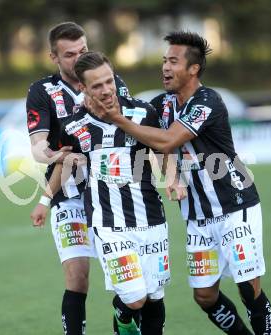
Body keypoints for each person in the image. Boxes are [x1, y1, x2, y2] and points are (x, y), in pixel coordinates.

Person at [92, 31, 271, 335]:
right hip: (197, 216)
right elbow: (130, 109)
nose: (165, 67)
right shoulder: (161, 105)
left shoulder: (208, 101)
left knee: (249, 288)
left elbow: (168, 140)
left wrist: (119, 120)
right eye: (164, 60)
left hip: (234, 207)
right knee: (204, 296)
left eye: (173, 61)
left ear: (193, 69)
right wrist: (98, 93)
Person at [56, 50, 181, 335]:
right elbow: (62, 162)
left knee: (154, 298)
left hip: (150, 217)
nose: (106, 89)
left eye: (109, 81)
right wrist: (48, 191)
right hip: (108, 223)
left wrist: (173, 178)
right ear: (83, 88)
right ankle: (123, 317)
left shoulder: (142, 112)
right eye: (97, 85)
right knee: (134, 298)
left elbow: (163, 148)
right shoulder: (74, 127)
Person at [26, 22, 129, 335]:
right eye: (69, 54)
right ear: (54, 57)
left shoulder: (111, 82)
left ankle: (124, 322)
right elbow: (38, 147)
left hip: (112, 194)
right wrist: (58, 156)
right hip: (68, 195)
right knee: (78, 276)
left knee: (127, 280)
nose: (77, 58)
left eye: (83, 51)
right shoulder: (42, 91)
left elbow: (130, 129)